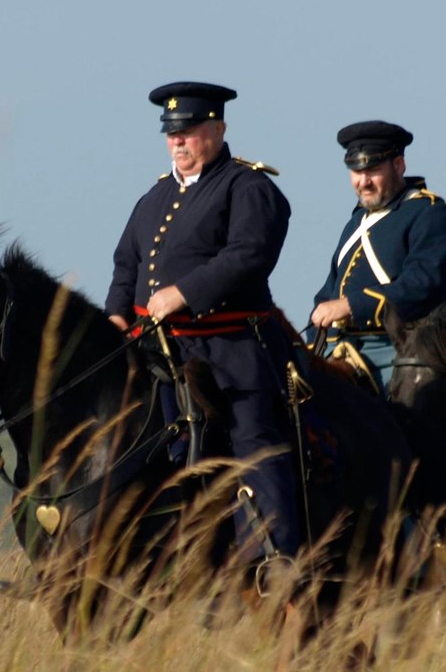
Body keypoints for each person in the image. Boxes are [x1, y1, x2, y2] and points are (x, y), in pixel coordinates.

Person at [105, 81, 299, 562]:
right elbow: (126, 263)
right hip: (159, 355)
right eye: (172, 133)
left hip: (230, 350)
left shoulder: (249, 187)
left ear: (218, 129)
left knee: (255, 447)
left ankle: (272, 559)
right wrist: (114, 315)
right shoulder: (155, 196)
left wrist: (185, 293)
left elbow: (249, 255)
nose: (179, 141)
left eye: (189, 131)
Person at [310, 121, 446, 391]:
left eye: (372, 170)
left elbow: (426, 283)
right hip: (340, 347)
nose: (363, 182)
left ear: (399, 165)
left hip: (397, 348)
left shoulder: (429, 213)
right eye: (356, 171)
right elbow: (329, 292)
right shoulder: (357, 220)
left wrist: (352, 306)